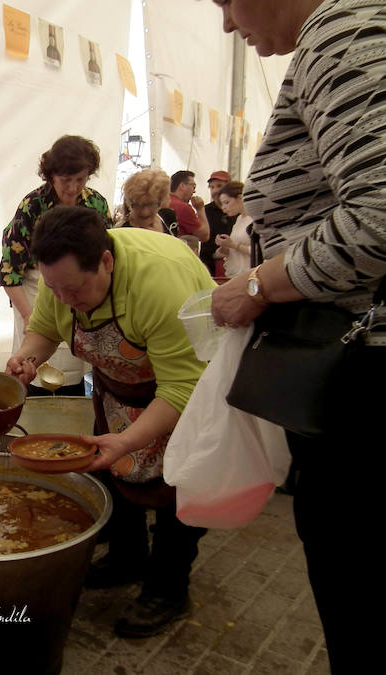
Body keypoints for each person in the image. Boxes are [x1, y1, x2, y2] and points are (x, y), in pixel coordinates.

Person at [210, 1, 385, 671]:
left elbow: (376, 218)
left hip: (364, 383)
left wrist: (258, 287)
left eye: (224, 0)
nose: (228, 24)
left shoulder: (341, 29)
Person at [6, 206, 215, 637]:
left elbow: (180, 389)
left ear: (106, 261)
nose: (64, 299)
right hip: (123, 387)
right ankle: (126, 558)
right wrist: (26, 358)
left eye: (74, 290)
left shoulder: (159, 285)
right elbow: (45, 327)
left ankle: (168, 589)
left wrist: (127, 441)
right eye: (54, 288)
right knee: (112, 469)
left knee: (180, 486)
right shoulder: (61, 276)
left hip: (190, 387)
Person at [0, 135, 112, 396]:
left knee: (72, 362)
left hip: (82, 286)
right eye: (65, 180)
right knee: (33, 360)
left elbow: (107, 259)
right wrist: (29, 317)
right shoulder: (32, 206)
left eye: (80, 180)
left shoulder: (96, 204)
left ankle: (71, 402)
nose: (73, 188)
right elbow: (9, 273)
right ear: (51, 175)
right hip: (35, 289)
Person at [201, 170, 236, 277]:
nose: (215, 190)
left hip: (233, 263)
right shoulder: (205, 210)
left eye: (219, 186)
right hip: (209, 265)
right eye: (211, 187)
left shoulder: (237, 211)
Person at [214, 181, 252, 277]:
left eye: (226, 202)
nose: (224, 208)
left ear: (240, 198)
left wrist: (233, 245)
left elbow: (260, 251)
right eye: (222, 204)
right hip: (236, 273)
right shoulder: (239, 219)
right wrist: (226, 249)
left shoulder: (255, 219)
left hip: (250, 273)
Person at [118, 168, 173, 234]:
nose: (144, 212)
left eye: (151, 205)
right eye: (138, 205)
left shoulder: (168, 218)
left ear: (161, 202)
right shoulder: (122, 231)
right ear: (129, 203)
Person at [168, 170, 210, 242]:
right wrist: (200, 209)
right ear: (182, 186)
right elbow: (204, 236)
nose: (194, 191)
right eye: (193, 186)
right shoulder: (184, 208)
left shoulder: (163, 202)